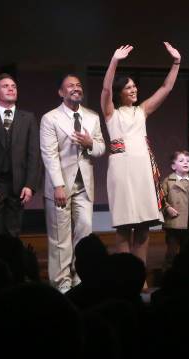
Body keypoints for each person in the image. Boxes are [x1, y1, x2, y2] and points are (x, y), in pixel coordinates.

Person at [100, 42, 181, 264]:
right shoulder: (111, 113)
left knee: (144, 226)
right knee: (125, 227)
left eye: (134, 86)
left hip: (143, 169)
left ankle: (140, 274)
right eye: (128, 87)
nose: (134, 89)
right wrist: (114, 61)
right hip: (122, 170)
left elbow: (166, 89)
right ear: (120, 93)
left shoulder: (141, 111)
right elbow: (106, 89)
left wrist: (176, 63)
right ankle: (124, 273)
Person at [40, 74, 106, 293]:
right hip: (60, 185)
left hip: (84, 185)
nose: (76, 88)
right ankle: (61, 284)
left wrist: (89, 143)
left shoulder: (92, 116)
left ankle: (79, 278)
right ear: (61, 92)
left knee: (84, 233)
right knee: (60, 238)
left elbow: (101, 148)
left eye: (78, 85)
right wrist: (58, 185)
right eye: (70, 86)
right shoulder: (50, 118)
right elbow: (49, 155)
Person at [0, 74, 42, 251]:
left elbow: (33, 154)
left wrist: (29, 184)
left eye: (13, 86)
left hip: (18, 186)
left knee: (14, 233)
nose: (11, 88)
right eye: (5, 86)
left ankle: (14, 275)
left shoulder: (28, 118)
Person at [161, 150, 189, 269]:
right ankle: (168, 273)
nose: (186, 162)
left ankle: (185, 274)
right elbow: (160, 198)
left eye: (188, 161)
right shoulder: (168, 181)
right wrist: (167, 208)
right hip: (174, 223)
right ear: (173, 166)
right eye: (181, 160)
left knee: (187, 252)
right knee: (172, 252)